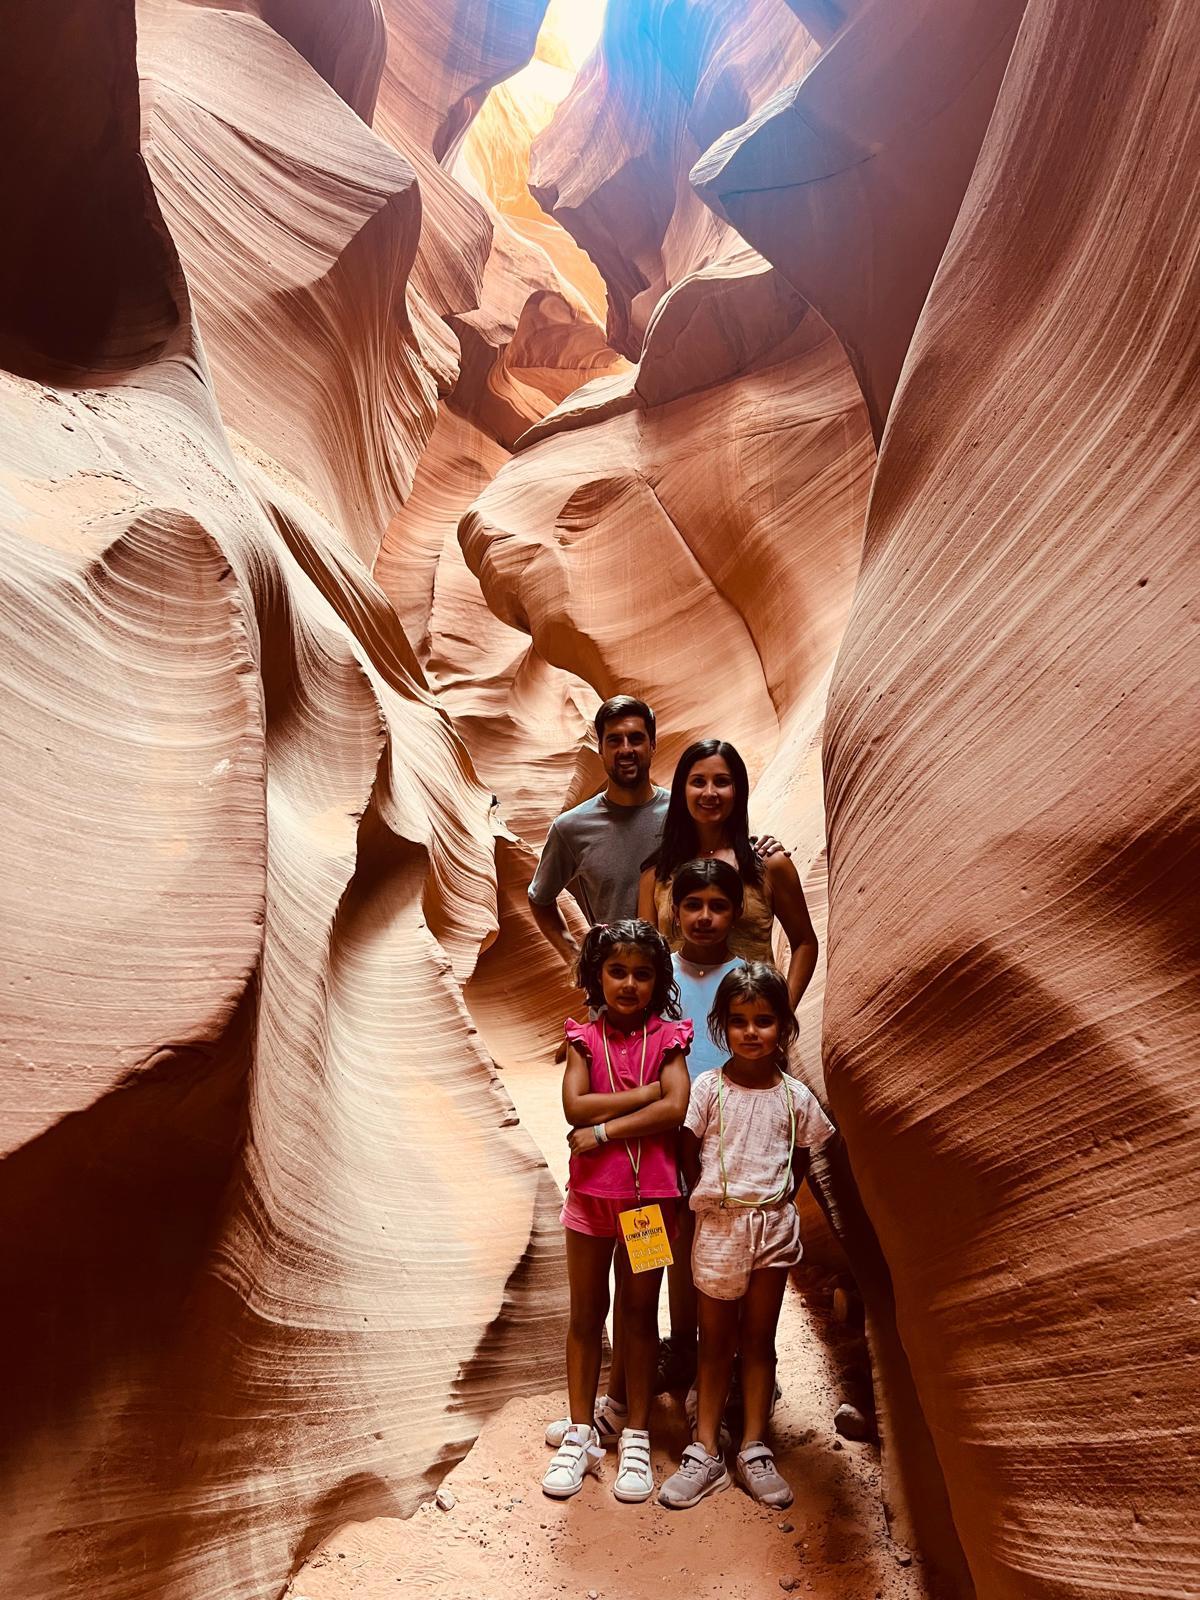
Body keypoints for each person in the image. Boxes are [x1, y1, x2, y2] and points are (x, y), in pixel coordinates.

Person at [658, 964, 835, 1512]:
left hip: (773, 1232)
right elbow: (689, 1154)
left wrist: (776, 1202)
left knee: (758, 1343)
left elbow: (801, 1157)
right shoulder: (708, 1090)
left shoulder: (796, 1097)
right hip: (717, 1231)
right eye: (739, 1022)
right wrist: (703, 1207)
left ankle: (756, 1447)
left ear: (784, 1025)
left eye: (764, 1020)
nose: (752, 1032)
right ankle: (705, 1448)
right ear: (721, 1026)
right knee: (715, 1343)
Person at [541, 920, 691, 1504]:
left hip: (648, 1204)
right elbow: (573, 1103)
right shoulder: (583, 1038)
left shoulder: (669, 1037)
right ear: (596, 975)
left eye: (643, 973)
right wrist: (644, 1094)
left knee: (637, 1313)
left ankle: (634, 1434)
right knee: (586, 1312)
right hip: (590, 1204)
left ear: (658, 981)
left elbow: (675, 1108)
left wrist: (602, 1129)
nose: (629, 983)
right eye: (617, 971)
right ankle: (581, 1432)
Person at [637, 739, 818, 1008]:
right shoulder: (656, 875)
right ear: (681, 791)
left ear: (738, 790)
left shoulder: (769, 864)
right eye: (698, 782)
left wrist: (783, 1012)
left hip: (752, 1033)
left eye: (722, 782)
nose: (710, 792)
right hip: (676, 1030)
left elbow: (804, 942)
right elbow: (644, 957)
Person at [663, 859, 746, 1388]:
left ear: (735, 913)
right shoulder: (657, 974)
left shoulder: (745, 978)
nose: (705, 916)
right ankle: (681, 1347)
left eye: (718, 906)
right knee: (674, 1241)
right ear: (675, 911)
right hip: (667, 1134)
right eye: (693, 904)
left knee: (724, 1244)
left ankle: (728, 1356)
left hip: (727, 1134)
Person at [528, 696, 668, 970]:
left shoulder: (682, 815)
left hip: (680, 986)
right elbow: (540, 899)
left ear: (652, 746)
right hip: (614, 995)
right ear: (600, 749)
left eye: (636, 739)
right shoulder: (572, 828)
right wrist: (575, 958)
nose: (625, 749)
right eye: (614, 740)